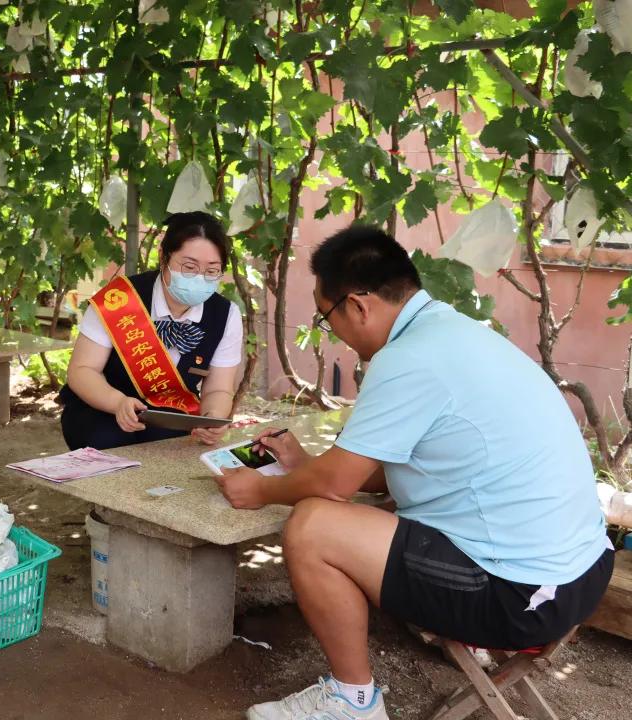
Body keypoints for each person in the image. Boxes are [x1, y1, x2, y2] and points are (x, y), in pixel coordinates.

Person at [214, 225, 614, 720]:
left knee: (313, 526)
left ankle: (352, 701)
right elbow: (408, 466)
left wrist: (263, 488)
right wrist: (307, 467)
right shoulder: (456, 334)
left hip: (521, 596)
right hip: (584, 572)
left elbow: (336, 486)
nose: (330, 330)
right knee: (367, 506)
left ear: (358, 305)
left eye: (325, 317)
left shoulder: (407, 359)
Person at [58, 211, 244, 450]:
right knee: (107, 442)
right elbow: (82, 371)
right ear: (164, 257)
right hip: (102, 405)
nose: (199, 278)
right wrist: (117, 403)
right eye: (189, 267)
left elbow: (219, 387)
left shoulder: (225, 315)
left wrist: (212, 419)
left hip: (170, 414)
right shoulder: (118, 299)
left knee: (176, 450)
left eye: (211, 271)